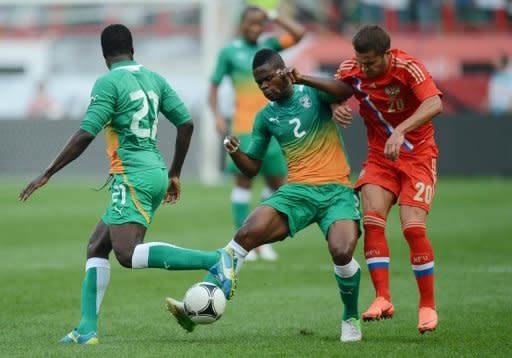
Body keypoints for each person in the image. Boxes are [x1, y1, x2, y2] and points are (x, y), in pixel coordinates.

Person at [19, 24, 234, 345]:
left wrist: (48, 172)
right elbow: (186, 123)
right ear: (132, 49)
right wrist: (175, 172)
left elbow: (85, 133)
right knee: (97, 246)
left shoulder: (108, 82)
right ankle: (86, 329)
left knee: (127, 253)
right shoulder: (154, 79)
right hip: (155, 172)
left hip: (131, 176)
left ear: (104, 54)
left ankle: (215, 260)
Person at [168, 49, 363, 342]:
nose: (264, 88)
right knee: (245, 235)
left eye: (268, 79)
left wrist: (305, 77)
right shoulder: (265, 118)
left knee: (342, 251)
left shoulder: (313, 94)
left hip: (336, 190)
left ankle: (350, 316)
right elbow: (251, 169)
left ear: (284, 71)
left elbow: (346, 89)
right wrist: (235, 152)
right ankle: (195, 305)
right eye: (259, 84)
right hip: (296, 192)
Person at [332, 25, 443, 334]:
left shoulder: (407, 67)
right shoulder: (350, 69)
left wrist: (401, 129)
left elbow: (435, 103)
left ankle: (427, 306)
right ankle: (383, 298)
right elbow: (331, 92)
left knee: (412, 228)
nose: (364, 68)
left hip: (417, 155)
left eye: (370, 62)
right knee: (372, 221)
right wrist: (336, 105)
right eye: (360, 61)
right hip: (380, 157)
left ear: (386, 54)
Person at [208, 5, 306, 261]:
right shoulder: (229, 52)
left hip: (274, 124)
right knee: (243, 181)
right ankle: (242, 239)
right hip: (244, 126)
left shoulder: (268, 49)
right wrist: (218, 115)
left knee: (277, 183)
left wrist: (273, 14)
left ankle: (261, 240)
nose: (256, 27)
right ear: (241, 24)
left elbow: (299, 33)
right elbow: (214, 86)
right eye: (251, 23)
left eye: (260, 23)